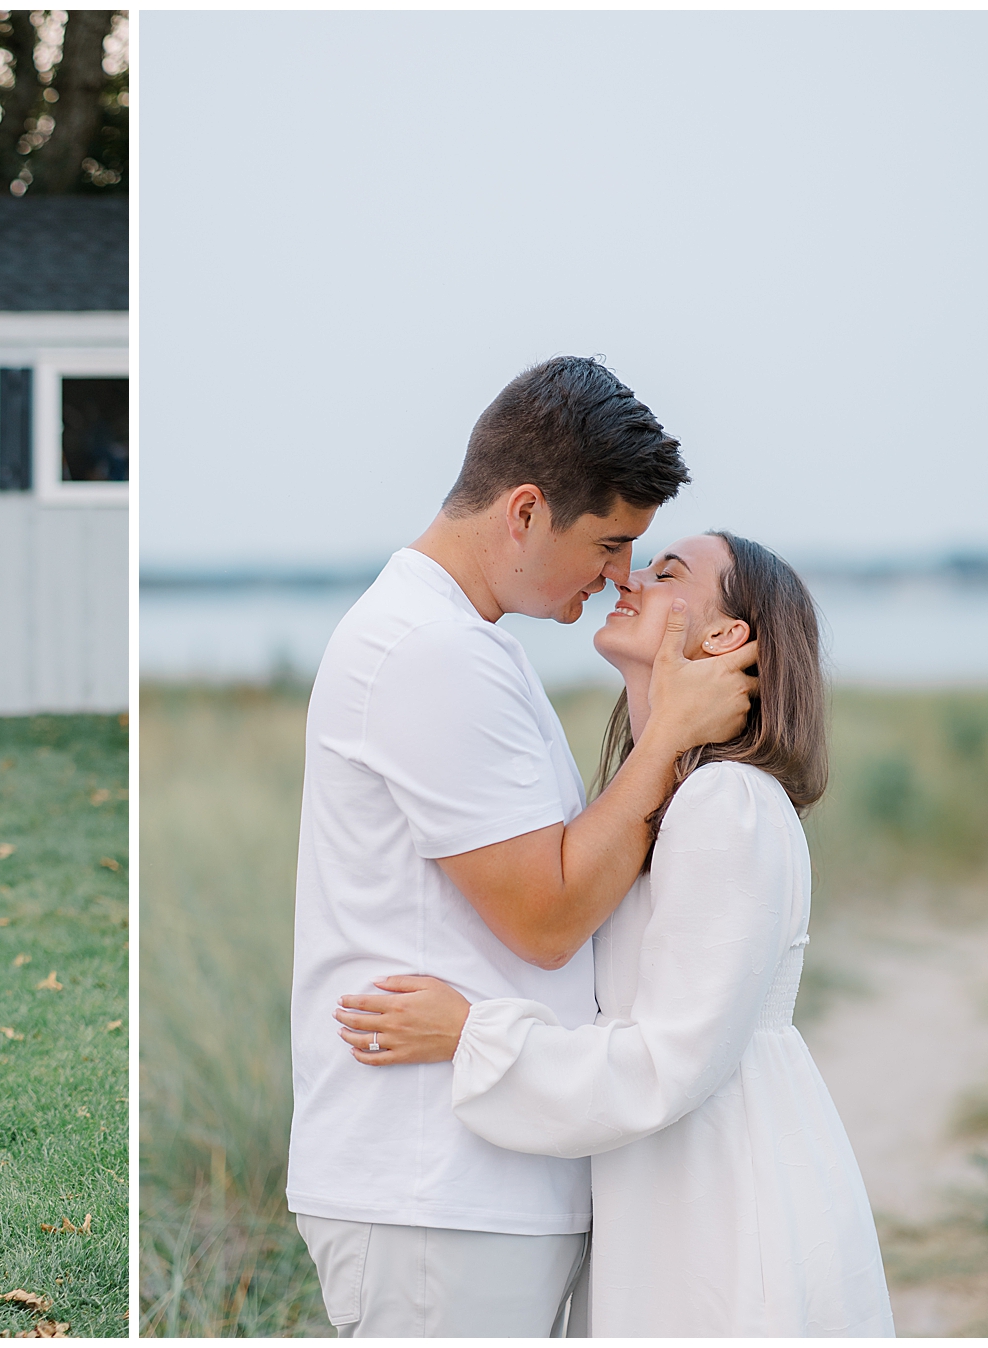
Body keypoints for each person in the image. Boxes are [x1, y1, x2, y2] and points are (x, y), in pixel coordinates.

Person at [287, 356, 759, 1337]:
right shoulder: (432, 650)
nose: (619, 575)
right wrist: (671, 734)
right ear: (527, 511)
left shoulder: (463, 641)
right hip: (434, 1184)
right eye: (611, 542)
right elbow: (545, 917)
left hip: (475, 1179)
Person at [335, 533, 895, 1336]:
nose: (629, 577)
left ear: (725, 637)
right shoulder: (666, 798)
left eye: (668, 572)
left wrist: (471, 1035)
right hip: (670, 1179)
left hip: (721, 1192)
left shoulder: (725, 804)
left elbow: (670, 1060)